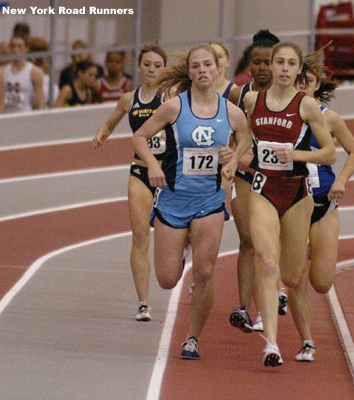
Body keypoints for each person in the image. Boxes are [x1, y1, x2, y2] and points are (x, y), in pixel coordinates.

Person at [133, 44, 251, 360]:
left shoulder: (231, 112)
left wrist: (233, 157)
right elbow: (139, 137)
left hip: (209, 201)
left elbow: (247, 142)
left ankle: (192, 338)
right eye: (196, 66)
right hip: (172, 199)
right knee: (168, 278)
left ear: (217, 70)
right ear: (190, 72)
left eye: (207, 66)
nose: (201, 71)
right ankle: (183, 247)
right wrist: (154, 165)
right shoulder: (174, 107)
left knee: (204, 272)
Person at [243, 41, 336, 366]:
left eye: (290, 63)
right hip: (263, 189)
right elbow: (243, 139)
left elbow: (330, 152)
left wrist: (295, 154)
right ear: (270, 66)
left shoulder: (307, 106)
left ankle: (304, 335)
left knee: (294, 276)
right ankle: (271, 343)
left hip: (297, 193)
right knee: (266, 262)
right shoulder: (253, 100)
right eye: (278, 62)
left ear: (298, 70)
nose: (283, 68)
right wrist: (234, 158)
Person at [289, 51, 354, 362]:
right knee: (294, 278)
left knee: (321, 282)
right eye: (299, 82)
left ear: (317, 86)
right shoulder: (281, 117)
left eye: (309, 83)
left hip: (323, 205)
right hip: (291, 204)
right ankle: (306, 341)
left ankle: (308, 252)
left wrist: (341, 180)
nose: (304, 87)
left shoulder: (329, 118)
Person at [91, 42, 167, 321]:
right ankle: (143, 302)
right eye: (147, 65)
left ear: (165, 69)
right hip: (140, 173)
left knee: (179, 236)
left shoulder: (172, 97)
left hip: (169, 174)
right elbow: (109, 122)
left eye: (158, 66)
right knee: (140, 236)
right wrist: (101, 134)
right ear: (138, 67)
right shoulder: (129, 99)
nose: (151, 70)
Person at [227, 29, 281, 334]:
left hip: (277, 177)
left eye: (267, 62)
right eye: (256, 62)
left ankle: (269, 304)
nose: (261, 68)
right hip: (246, 174)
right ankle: (243, 307)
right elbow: (230, 130)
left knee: (269, 244)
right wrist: (234, 154)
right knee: (248, 238)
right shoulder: (240, 95)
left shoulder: (291, 96)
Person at [0, 34, 44, 114]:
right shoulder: (2, 71)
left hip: (25, 116)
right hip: (7, 116)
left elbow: (40, 102)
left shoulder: (34, 72)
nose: (15, 49)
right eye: (13, 46)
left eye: (19, 46)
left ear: (26, 49)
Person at [28, 36, 59, 107]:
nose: (50, 61)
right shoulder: (29, 76)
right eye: (47, 58)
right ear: (35, 59)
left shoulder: (48, 80)